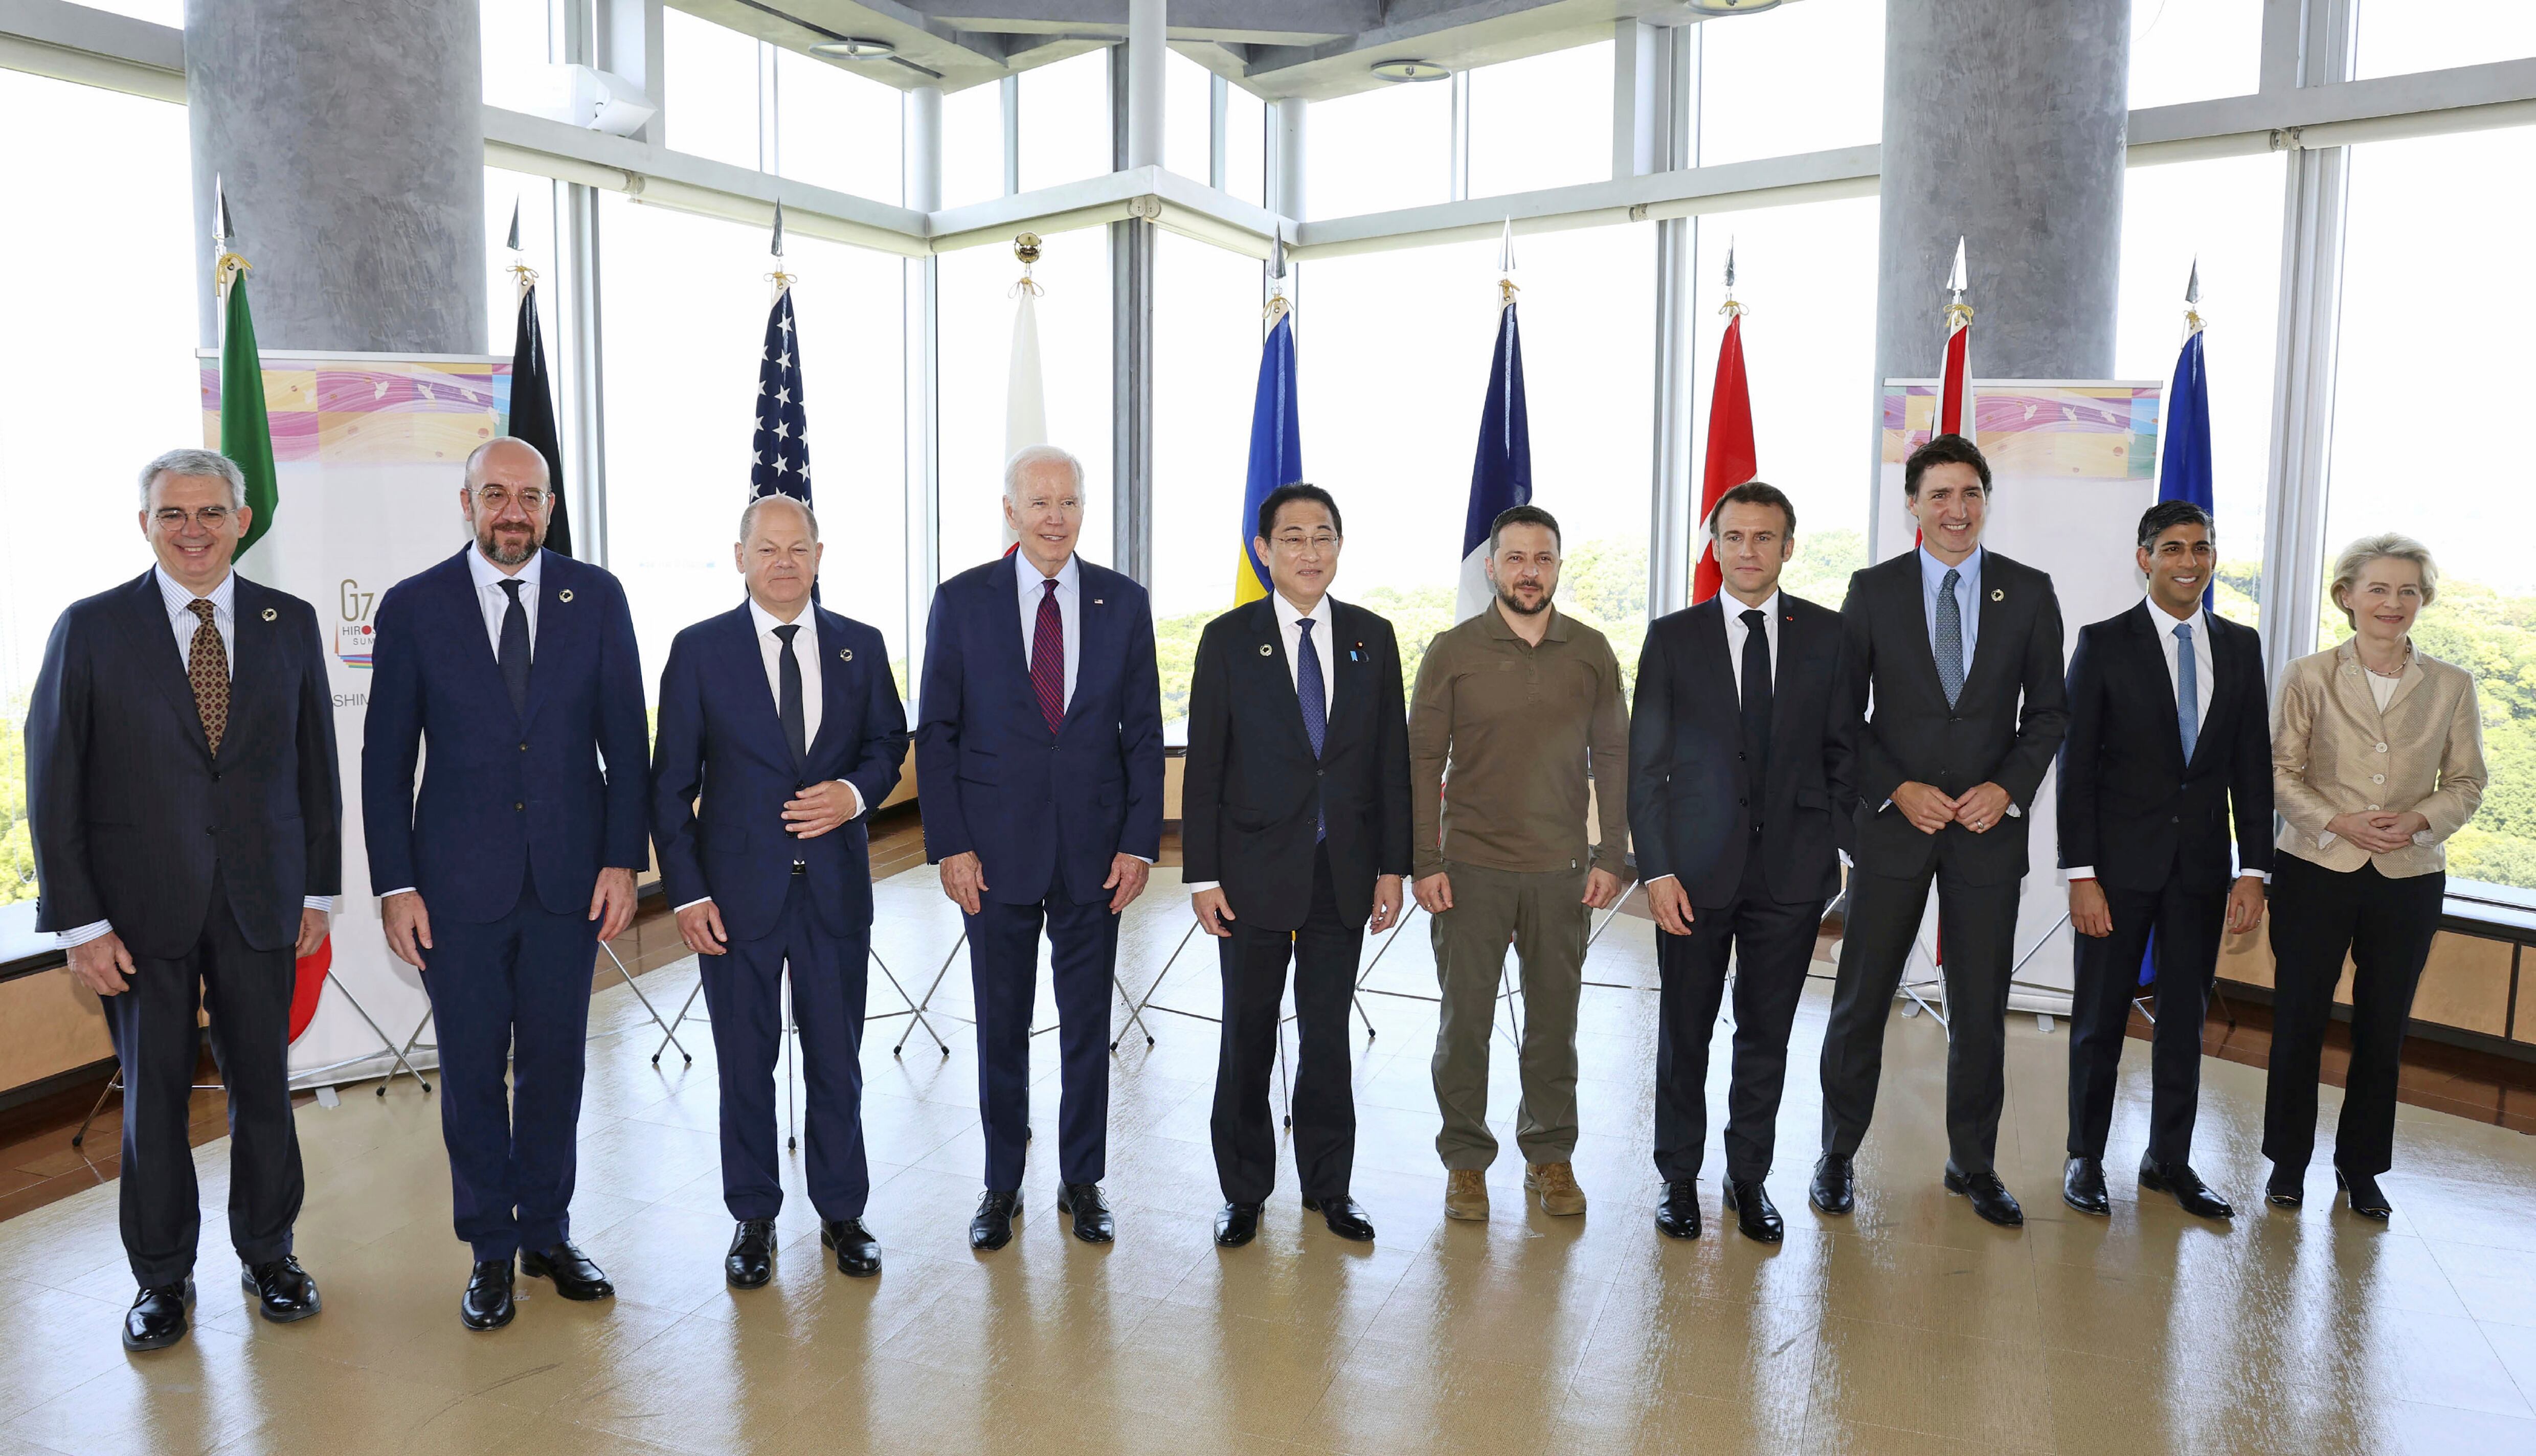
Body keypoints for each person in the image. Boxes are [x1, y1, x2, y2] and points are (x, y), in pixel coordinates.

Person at [24, 448, 340, 1352]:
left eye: (209, 513)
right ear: (145, 525)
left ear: (242, 521)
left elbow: (315, 766)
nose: (192, 530)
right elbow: (54, 780)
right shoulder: (91, 627)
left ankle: (270, 1255)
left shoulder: (288, 621)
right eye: (173, 514)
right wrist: (81, 924)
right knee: (155, 1099)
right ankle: (161, 1279)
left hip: (261, 901)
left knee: (264, 1091)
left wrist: (317, 888)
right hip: (135, 917)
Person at [363, 437, 648, 1330]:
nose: (513, 512)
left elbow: (626, 743)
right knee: (474, 1073)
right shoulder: (415, 607)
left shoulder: (597, 598)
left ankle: (548, 1234)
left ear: (551, 507)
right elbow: (384, 761)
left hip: (570, 882)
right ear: (468, 503)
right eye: (496, 495)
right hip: (455, 890)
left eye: (529, 496)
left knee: (558, 1065)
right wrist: (395, 885)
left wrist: (622, 860)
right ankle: (490, 1247)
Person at [650, 493, 908, 1286]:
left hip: (834, 894)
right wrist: (688, 894)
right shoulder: (699, 651)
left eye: (798, 548)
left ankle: (843, 1212)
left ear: (820, 556)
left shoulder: (861, 646)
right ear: (740, 558)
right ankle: (754, 1218)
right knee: (744, 1064)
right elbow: (670, 786)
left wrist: (854, 796)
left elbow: (888, 741)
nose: (784, 563)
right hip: (734, 901)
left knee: (837, 1061)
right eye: (767, 549)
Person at [1812, 434, 2067, 1228]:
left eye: (1971, 494)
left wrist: (2007, 788)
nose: (1957, 510)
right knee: (1861, 1000)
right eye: (1941, 495)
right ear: (1913, 506)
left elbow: (2048, 713)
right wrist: (1896, 788)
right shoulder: (1873, 590)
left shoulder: (2029, 592)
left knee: (1981, 1007)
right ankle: (1836, 1155)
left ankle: (1974, 1163)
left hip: (1987, 834)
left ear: (1986, 501)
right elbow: (1840, 714)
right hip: (1895, 829)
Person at [915, 444, 1164, 1251]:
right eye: (1040, 502)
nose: (1056, 518)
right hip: (992, 857)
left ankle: (1082, 1179)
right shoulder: (962, 602)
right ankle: (1001, 1182)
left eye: (1069, 502)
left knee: (1088, 1024)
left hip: (1096, 852)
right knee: (1001, 1024)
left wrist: (1139, 843)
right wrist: (951, 845)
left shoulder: (1123, 603)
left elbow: (1143, 733)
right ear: (1011, 511)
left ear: (1083, 510)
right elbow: (938, 733)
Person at [1183, 483, 1410, 1248]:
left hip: (1341, 871)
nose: (1310, 553)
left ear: (1339, 547)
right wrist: (1203, 876)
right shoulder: (1227, 639)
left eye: (1323, 537)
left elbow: (1390, 762)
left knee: (1327, 1035)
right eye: (1293, 538)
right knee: (1247, 1034)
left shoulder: (1373, 637)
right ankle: (1244, 1192)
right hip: (1250, 872)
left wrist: (1392, 867)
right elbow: (1206, 766)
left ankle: (1329, 1186)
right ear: (1264, 550)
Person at [1628, 482, 1850, 1243]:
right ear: (1715, 546)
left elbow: (1843, 754)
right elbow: (1646, 767)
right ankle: (1678, 1178)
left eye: (1764, 537)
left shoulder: (1828, 635)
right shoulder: (1672, 638)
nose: (1748, 551)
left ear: (1787, 547)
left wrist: (1835, 854)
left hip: (1791, 878)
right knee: (1684, 1033)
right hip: (1692, 877)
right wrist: (1657, 871)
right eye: (1734, 536)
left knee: (1766, 1035)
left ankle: (1748, 1177)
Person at [1410, 504, 1630, 1222]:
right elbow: (1421, 762)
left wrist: (1611, 855)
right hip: (1468, 871)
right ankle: (1465, 1163)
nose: (1529, 572)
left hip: (1561, 872)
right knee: (1464, 1027)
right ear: (1491, 568)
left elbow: (1614, 758)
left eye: (1543, 559)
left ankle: (1550, 1154)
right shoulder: (1452, 651)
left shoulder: (1591, 651)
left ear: (1558, 567)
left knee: (1553, 1027)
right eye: (1515, 558)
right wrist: (1425, 861)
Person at [2057, 500, 2271, 1221]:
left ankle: (2168, 1160)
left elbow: (2252, 767)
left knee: (2184, 1021)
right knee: (2099, 1020)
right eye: (2173, 548)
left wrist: (2254, 870)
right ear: (2144, 557)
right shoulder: (2103, 643)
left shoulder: (2240, 646)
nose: (2189, 562)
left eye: (2202, 548)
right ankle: (2085, 1157)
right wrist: (2081, 875)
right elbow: (2076, 770)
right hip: (2115, 874)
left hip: (2202, 872)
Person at [2264, 534, 2484, 1220]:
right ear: (2347, 597)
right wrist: (2339, 821)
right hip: (2315, 868)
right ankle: (2288, 1162)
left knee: (2383, 1030)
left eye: (2408, 590)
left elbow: (2469, 783)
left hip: (2408, 876)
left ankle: (2360, 1169)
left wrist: (2419, 820)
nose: (2394, 603)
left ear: (2424, 600)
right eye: (2379, 589)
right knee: (2299, 1020)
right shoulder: (2308, 674)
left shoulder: (2452, 684)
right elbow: (2279, 772)